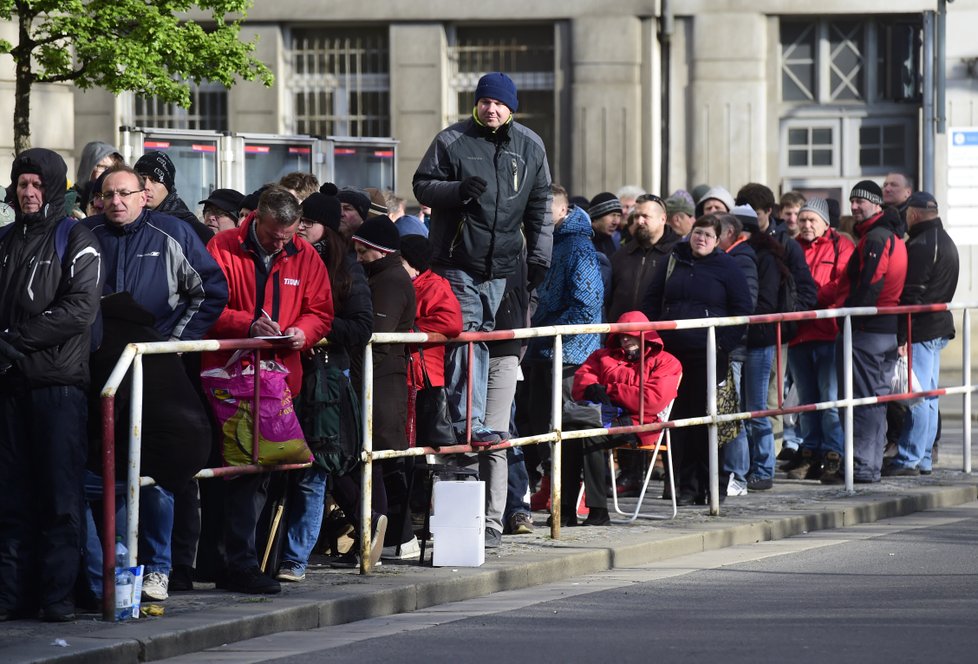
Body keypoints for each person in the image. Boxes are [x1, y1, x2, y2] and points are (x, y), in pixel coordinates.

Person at [84, 165, 228, 601]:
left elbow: (209, 291)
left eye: (125, 193)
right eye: (108, 194)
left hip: (157, 371)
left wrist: (170, 344)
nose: (117, 202)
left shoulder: (172, 233)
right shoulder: (85, 234)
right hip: (100, 372)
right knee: (105, 469)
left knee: (159, 473)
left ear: (144, 196)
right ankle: (118, 563)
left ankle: (159, 568)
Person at [204, 185, 334, 593]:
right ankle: (228, 560)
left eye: (289, 234)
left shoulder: (305, 254)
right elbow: (206, 304)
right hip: (228, 380)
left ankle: (243, 560)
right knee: (236, 474)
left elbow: (321, 311)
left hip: (278, 382)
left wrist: (303, 332)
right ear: (256, 218)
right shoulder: (222, 247)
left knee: (261, 475)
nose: (281, 242)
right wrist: (246, 325)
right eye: (274, 234)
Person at [413, 71, 553, 448]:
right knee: (468, 335)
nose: (491, 109)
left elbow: (540, 207)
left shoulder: (530, 146)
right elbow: (422, 184)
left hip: (502, 265)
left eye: (499, 103)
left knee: (483, 336)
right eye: (485, 101)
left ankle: (477, 418)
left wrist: (539, 257)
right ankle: (469, 422)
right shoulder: (452, 139)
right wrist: (456, 191)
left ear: (511, 108)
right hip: (456, 260)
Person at [0, 148, 103, 622]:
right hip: (10, 386)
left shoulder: (76, 237)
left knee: (61, 497)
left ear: (55, 188)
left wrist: (16, 341)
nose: (28, 193)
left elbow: (79, 309)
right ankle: (11, 594)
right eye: (22, 184)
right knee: (10, 495)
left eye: (37, 185)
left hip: (58, 386)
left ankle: (57, 596)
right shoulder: (3, 241)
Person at [276, 187, 375, 579]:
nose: (300, 228)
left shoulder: (347, 269)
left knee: (315, 470)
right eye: (298, 220)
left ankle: (294, 558)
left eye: (308, 222)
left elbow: (363, 326)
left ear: (327, 229)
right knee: (282, 466)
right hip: (286, 373)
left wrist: (314, 326)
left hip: (327, 381)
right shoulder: (289, 258)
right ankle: (273, 553)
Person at [642, 214, 753, 504]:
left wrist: (722, 346)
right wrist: (656, 340)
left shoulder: (727, 267)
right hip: (673, 357)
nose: (700, 238)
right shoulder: (673, 260)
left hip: (709, 354)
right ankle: (685, 487)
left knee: (709, 421)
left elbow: (742, 310)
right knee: (679, 422)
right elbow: (651, 300)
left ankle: (712, 486)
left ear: (717, 240)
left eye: (707, 235)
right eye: (696, 233)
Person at [819, 181, 907, 484]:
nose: (855, 206)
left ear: (877, 204)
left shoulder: (877, 238)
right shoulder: (891, 235)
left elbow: (869, 285)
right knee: (874, 401)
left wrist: (850, 321)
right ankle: (867, 465)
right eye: (853, 200)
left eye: (861, 201)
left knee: (860, 401)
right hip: (883, 329)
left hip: (867, 331)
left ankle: (861, 467)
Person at [523, 184, 603, 517]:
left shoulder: (578, 247)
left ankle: (594, 507)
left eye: (544, 210)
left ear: (562, 210)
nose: (538, 217)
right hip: (545, 349)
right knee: (548, 430)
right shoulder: (548, 242)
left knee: (577, 428)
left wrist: (545, 331)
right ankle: (565, 507)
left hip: (570, 352)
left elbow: (587, 304)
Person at [568, 311, 682, 526]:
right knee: (571, 433)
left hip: (642, 423)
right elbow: (582, 381)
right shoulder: (602, 355)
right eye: (621, 335)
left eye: (629, 335)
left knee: (589, 436)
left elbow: (651, 401)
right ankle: (567, 509)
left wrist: (608, 389)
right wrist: (593, 387)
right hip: (605, 416)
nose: (624, 339)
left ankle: (596, 511)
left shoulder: (667, 362)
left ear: (645, 335)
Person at [350, 215, 418, 559]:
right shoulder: (387, 275)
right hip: (385, 383)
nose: (359, 257)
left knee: (378, 463)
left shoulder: (388, 282)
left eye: (363, 251)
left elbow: (378, 340)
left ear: (379, 251)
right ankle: (399, 538)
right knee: (384, 463)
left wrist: (357, 377)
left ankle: (395, 536)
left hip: (381, 385)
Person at [884, 192, 959, 477]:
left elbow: (912, 296)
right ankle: (923, 457)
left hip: (921, 330)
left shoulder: (921, 245)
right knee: (927, 396)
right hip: (936, 327)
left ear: (913, 214)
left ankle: (910, 458)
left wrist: (902, 336)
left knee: (918, 396)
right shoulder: (945, 241)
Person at [782, 198, 854, 482]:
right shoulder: (792, 246)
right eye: (802, 220)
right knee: (806, 401)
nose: (806, 225)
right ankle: (809, 453)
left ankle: (833, 455)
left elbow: (843, 282)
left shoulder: (841, 246)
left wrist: (812, 298)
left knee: (830, 400)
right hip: (800, 333)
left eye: (812, 220)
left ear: (825, 222)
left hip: (828, 332)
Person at [716, 212, 758, 498]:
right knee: (724, 413)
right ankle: (727, 473)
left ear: (729, 232)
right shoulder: (728, 257)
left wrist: (727, 341)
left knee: (734, 414)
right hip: (722, 347)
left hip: (733, 349)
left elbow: (745, 305)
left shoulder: (740, 259)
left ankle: (736, 475)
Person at [134, 151, 213, 245]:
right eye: (142, 179)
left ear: (168, 186)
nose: (146, 186)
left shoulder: (195, 231)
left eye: (154, 180)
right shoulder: (125, 222)